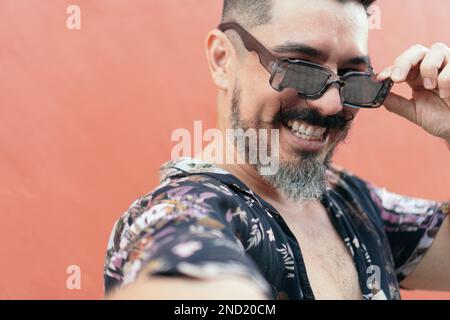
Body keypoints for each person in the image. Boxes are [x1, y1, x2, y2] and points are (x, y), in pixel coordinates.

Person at [104, 0, 450, 300]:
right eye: (299, 69)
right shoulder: (183, 210)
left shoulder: (351, 201)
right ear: (222, 60)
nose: (331, 104)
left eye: (351, 76)